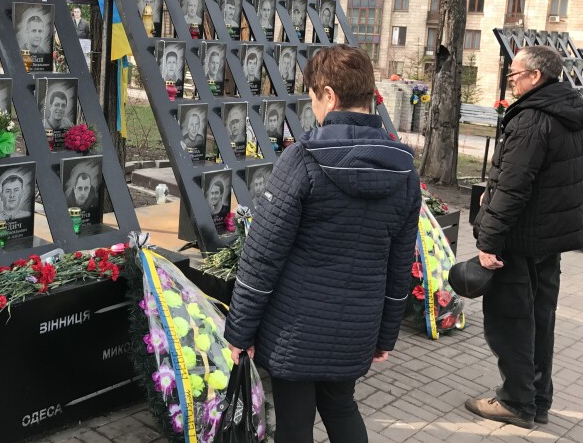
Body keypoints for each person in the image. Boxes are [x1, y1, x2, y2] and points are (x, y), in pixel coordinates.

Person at [224, 44, 421, 443]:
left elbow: (262, 257)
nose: (312, 107)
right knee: (341, 405)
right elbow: (400, 266)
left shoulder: (303, 161)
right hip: (357, 328)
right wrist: (385, 335)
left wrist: (239, 331)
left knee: (295, 422)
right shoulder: (405, 173)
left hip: (295, 329)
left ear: (329, 95)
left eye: (312, 97)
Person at [467, 45, 583, 429]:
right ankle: (539, 399)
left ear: (536, 76)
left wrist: (488, 243)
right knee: (540, 319)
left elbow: (514, 188)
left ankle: (517, 402)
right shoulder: (568, 111)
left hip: (518, 241)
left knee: (511, 320)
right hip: (549, 240)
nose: (510, 80)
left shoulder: (533, 119)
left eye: (515, 74)